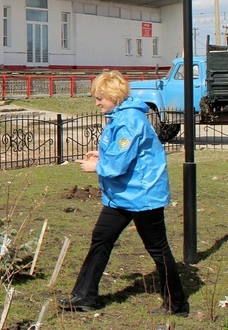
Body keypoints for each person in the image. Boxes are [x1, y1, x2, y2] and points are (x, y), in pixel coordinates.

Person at [57, 70, 188, 317]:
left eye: (100, 98)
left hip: (143, 195)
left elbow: (118, 165)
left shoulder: (129, 120)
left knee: (158, 249)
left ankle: (177, 304)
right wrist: (102, 156)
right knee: (101, 237)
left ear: (114, 96)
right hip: (123, 195)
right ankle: (84, 296)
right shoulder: (121, 117)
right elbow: (123, 154)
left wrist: (97, 165)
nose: (96, 103)